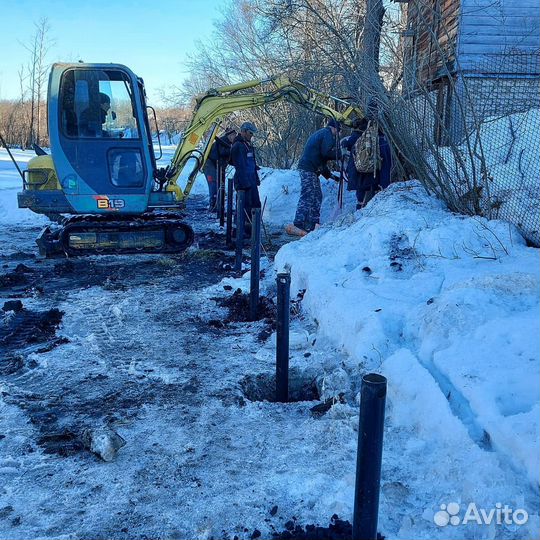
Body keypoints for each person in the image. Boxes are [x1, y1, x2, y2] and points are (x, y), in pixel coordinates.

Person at [286, 118, 342, 236]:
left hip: (311, 169)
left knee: (317, 195)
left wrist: (332, 176)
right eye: (338, 131)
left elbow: (321, 161)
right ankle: (299, 223)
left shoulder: (322, 134)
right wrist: (340, 154)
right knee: (308, 195)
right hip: (308, 169)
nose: (338, 134)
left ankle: (313, 223)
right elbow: (326, 153)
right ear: (334, 128)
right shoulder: (327, 134)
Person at [342, 118, 392, 209]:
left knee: (362, 192)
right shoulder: (376, 140)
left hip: (360, 172)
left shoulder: (358, 138)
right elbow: (385, 168)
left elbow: (347, 147)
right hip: (367, 173)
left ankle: (361, 208)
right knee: (367, 188)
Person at [230, 121, 261, 236]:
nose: (251, 135)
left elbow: (251, 163)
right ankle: (238, 230)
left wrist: (255, 178)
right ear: (243, 131)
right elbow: (240, 166)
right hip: (243, 182)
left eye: (252, 133)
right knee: (243, 206)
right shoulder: (238, 146)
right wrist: (245, 183)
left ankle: (249, 229)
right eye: (250, 133)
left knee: (255, 204)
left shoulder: (247, 145)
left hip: (251, 180)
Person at [203, 128, 237, 211]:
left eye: (235, 136)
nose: (234, 138)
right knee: (214, 184)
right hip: (209, 164)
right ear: (229, 135)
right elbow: (223, 153)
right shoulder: (223, 142)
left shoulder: (228, 143)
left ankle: (218, 204)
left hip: (217, 166)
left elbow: (228, 159)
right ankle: (213, 204)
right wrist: (232, 151)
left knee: (219, 185)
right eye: (233, 136)